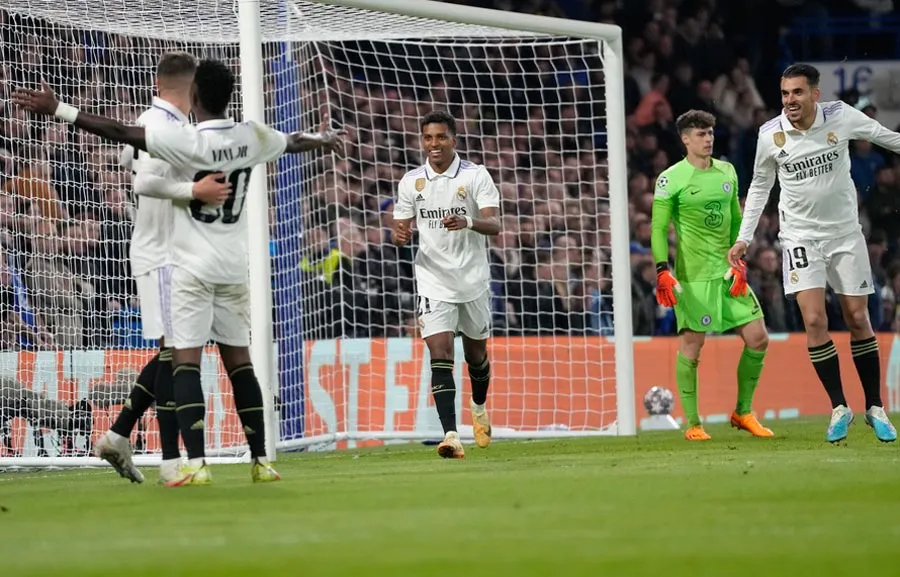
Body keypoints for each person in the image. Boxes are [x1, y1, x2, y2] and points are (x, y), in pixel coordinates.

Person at [13, 59, 343, 484]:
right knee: (239, 363)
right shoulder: (252, 135)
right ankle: (261, 460)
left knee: (183, 361)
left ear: (196, 97)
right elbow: (294, 140)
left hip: (189, 265)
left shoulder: (186, 141)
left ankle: (194, 462)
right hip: (233, 266)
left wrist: (61, 109)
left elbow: (120, 132)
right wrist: (325, 137)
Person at [729, 63, 899, 443]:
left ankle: (874, 407)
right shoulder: (770, 134)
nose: (789, 100)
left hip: (845, 235)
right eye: (785, 93)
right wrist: (744, 237)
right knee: (815, 320)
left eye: (797, 92)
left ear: (815, 94)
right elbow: (759, 187)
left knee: (857, 317)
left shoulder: (840, 116)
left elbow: (888, 137)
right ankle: (839, 407)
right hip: (800, 237)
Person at [92, 52, 231, 485]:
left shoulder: (158, 121)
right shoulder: (161, 125)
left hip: (170, 250)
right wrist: (194, 189)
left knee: (174, 351)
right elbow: (142, 181)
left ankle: (121, 435)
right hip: (162, 254)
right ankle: (168, 459)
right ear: (190, 90)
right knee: (177, 353)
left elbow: (124, 163)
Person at [652, 109, 773, 441]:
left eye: (710, 133)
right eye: (701, 134)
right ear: (685, 139)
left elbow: (735, 218)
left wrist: (739, 258)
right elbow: (659, 228)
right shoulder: (670, 178)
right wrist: (662, 269)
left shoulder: (728, 171)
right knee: (693, 347)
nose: (708, 139)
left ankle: (743, 411)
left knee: (758, 338)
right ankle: (693, 423)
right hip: (693, 278)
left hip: (727, 274)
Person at [392, 110, 500, 459]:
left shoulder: (475, 175)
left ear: (453, 139)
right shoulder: (411, 181)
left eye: (440, 137)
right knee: (439, 352)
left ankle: (479, 407)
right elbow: (400, 228)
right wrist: (400, 234)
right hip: (432, 279)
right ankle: (451, 435)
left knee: (476, 356)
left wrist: (467, 220)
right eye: (427, 138)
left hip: (472, 280)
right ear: (421, 140)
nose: (433, 144)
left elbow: (494, 225)